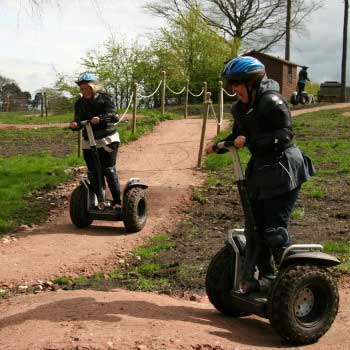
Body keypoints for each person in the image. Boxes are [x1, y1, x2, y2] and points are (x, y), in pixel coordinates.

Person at [206, 56, 315, 292]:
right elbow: (238, 136)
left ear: (252, 82)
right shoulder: (240, 108)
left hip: (285, 168)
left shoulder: (272, 101)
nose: (234, 89)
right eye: (231, 84)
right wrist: (219, 145)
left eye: (237, 84)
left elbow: (284, 135)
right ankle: (265, 276)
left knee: (273, 230)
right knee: (254, 227)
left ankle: (294, 282)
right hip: (261, 171)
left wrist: (251, 140)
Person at [69, 72, 122, 210]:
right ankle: (100, 201)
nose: (85, 91)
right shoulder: (79, 103)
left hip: (107, 139)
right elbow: (78, 120)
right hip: (89, 141)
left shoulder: (105, 99)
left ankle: (117, 202)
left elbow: (114, 116)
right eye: (82, 89)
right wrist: (74, 124)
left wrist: (101, 118)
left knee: (108, 170)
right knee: (93, 172)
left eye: (87, 88)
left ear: (94, 87)